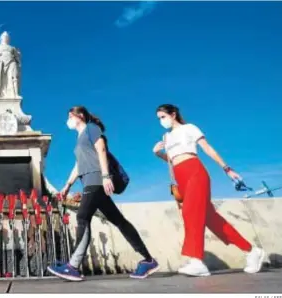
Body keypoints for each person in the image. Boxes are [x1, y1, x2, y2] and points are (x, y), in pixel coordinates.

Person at [47, 106, 159, 281]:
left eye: (70, 115)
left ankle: (73, 266)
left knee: (83, 217)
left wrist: (106, 176)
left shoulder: (91, 128)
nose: (68, 119)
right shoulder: (79, 139)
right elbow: (79, 165)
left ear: (80, 116)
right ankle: (148, 260)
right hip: (89, 182)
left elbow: (101, 150)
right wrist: (67, 185)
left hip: (97, 180)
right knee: (119, 221)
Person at [152, 104, 265, 277]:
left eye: (163, 117)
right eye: (159, 118)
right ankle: (251, 251)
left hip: (195, 172)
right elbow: (173, 160)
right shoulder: (166, 136)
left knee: (189, 212)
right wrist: (158, 153)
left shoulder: (189, 128)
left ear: (173, 114)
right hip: (180, 176)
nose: (161, 121)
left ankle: (197, 261)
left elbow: (207, 148)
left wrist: (227, 168)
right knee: (211, 220)